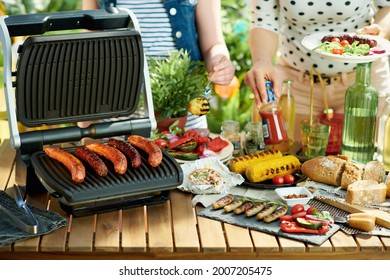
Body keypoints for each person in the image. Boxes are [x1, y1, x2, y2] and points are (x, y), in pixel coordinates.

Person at [244, 0, 390, 142]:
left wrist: (381, 31)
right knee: (291, 156)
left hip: (364, 81)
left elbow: (387, 6)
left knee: (366, 158)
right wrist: (262, 60)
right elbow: (264, 20)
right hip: (297, 85)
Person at [82, 0, 235, 130]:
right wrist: (85, 126)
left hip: (185, 124)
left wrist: (219, 61)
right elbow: (89, 51)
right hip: (117, 124)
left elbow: (213, 44)